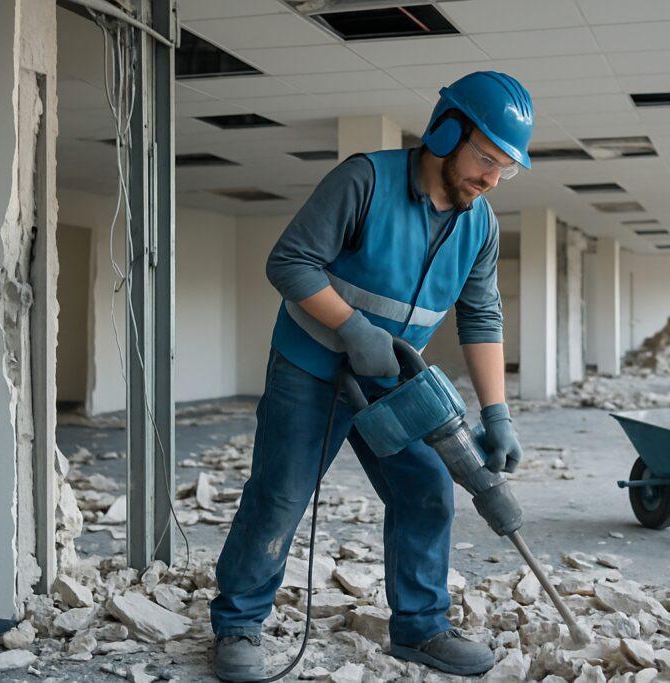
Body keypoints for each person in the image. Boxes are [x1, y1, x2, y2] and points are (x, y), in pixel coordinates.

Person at [209, 71, 534, 681]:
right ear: (445, 132)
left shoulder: (479, 223)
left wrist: (497, 415)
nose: (492, 179)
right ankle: (238, 624)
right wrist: (353, 329)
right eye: (486, 159)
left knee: (428, 489)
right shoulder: (366, 179)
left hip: (391, 377)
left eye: (506, 169)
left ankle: (421, 628)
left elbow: (482, 315)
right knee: (281, 494)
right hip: (311, 365)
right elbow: (290, 262)